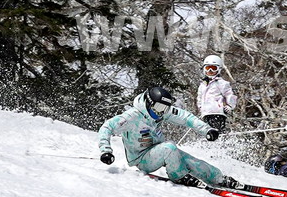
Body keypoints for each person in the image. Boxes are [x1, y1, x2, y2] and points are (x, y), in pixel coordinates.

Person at [98, 86, 236, 188]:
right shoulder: (132, 117)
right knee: (169, 148)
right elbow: (107, 127)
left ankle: (217, 177)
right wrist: (106, 150)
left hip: (158, 150)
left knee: (192, 161)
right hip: (141, 159)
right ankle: (179, 176)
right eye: (158, 107)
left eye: (165, 109)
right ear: (148, 102)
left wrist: (207, 130)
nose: (161, 112)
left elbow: (186, 117)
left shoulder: (161, 111)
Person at [196, 55, 237, 133]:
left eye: (213, 68)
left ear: (219, 69)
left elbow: (229, 95)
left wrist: (230, 106)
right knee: (207, 131)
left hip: (217, 112)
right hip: (206, 113)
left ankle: (219, 140)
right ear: (204, 69)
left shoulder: (221, 83)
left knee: (216, 131)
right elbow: (199, 98)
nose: (210, 71)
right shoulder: (202, 85)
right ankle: (210, 143)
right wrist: (201, 108)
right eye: (208, 68)